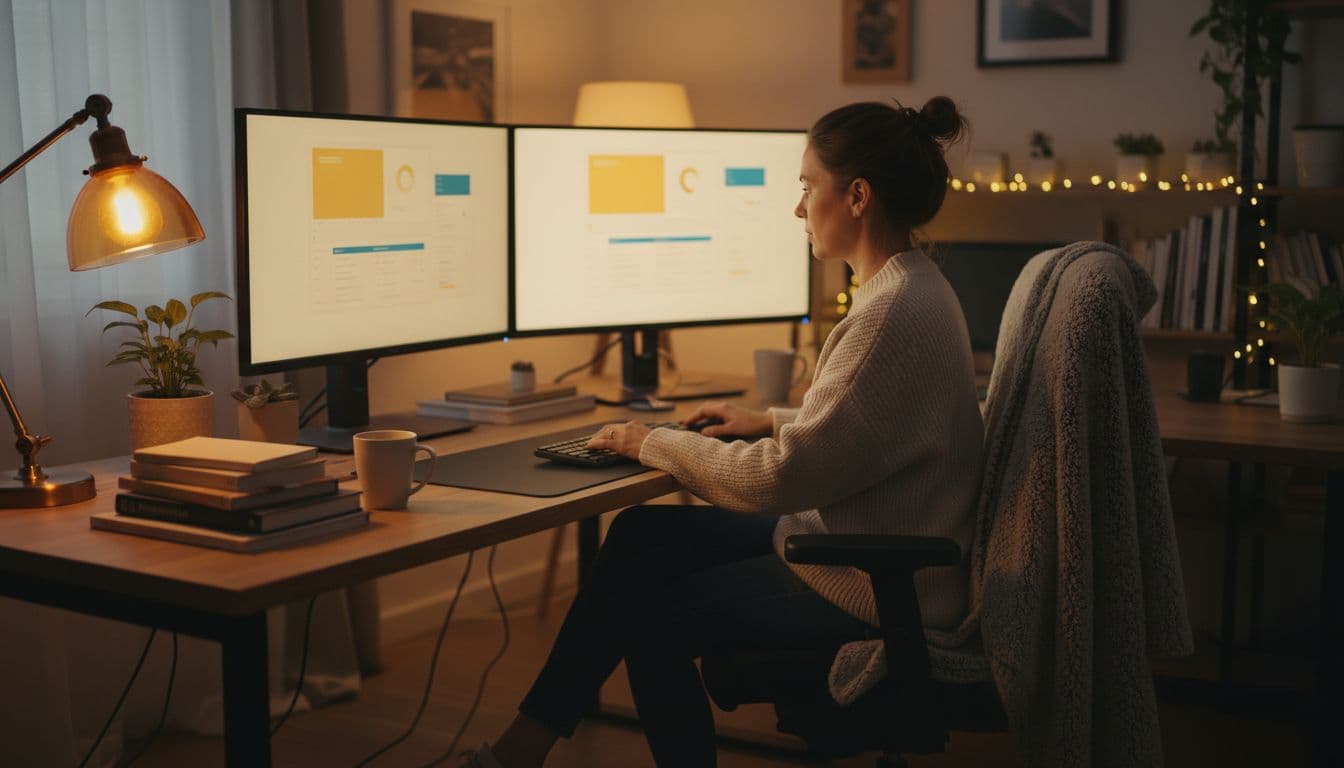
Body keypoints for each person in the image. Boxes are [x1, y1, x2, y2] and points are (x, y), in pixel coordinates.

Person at [464, 96, 984, 768]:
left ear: (855, 196)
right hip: (860, 542)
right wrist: (768, 419)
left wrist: (650, 441)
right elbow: (881, 423)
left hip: (872, 580)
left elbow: (779, 478)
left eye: (807, 188)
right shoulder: (915, 286)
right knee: (639, 535)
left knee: (652, 617)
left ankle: (519, 752)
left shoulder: (889, 313)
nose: (799, 209)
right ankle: (524, 748)